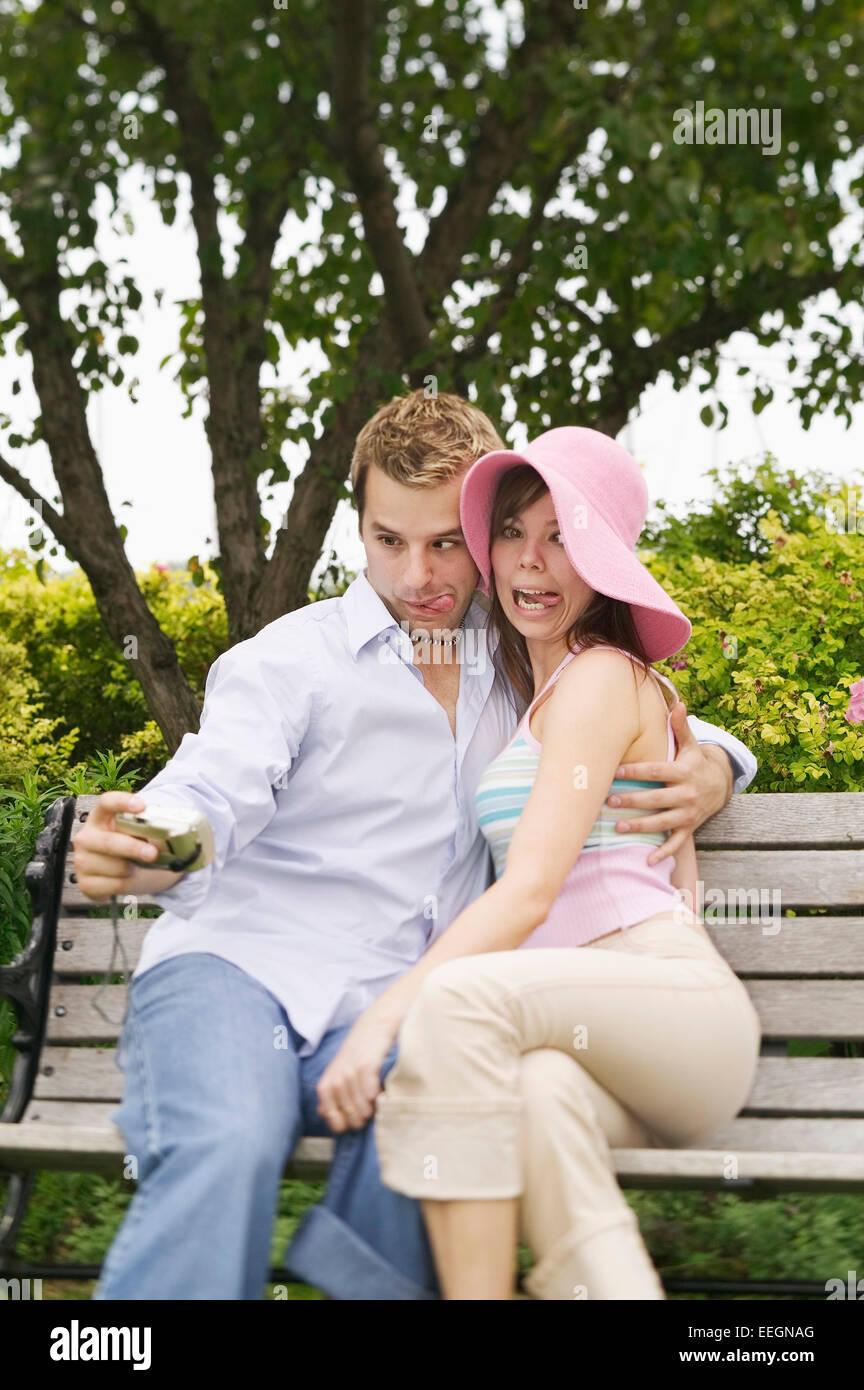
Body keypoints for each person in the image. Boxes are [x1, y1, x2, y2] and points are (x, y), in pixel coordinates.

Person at [71, 393, 757, 1301]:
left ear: (477, 537)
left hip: (402, 1003)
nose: (416, 573)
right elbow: (210, 791)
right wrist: (157, 846)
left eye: (443, 544)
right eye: (388, 539)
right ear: (358, 527)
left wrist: (715, 762)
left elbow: (647, 717)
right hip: (237, 969)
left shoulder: (518, 656)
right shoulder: (290, 662)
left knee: (439, 1103)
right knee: (229, 1139)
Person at [320, 425, 763, 1300]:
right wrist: (716, 754)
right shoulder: (537, 687)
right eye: (515, 533)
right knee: (534, 1098)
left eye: (564, 537)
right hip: (586, 1041)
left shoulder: (600, 676)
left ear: (603, 562)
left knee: (451, 1006)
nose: (532, 563)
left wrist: (379, 1025)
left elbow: (530, 890)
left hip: (669, 1004)